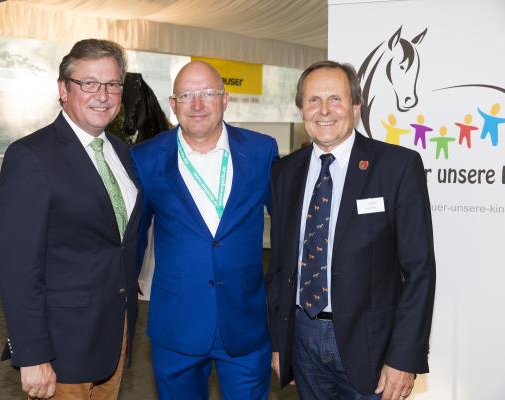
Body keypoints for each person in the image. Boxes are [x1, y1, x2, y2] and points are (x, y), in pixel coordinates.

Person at [266, 60, 435, 400]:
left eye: (336, 99)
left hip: (372, 346)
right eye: (313, 100)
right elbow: (281, 264)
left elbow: (419, 271)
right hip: (302, 337)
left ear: (356, 107)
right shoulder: (285, 171)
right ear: (301, 109)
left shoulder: (397, 167)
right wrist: (279, 342)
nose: (324, 110)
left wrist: (403, 357)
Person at [0, 39, 141, 400]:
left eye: (112, 85)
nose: (102, 95)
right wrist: (32, 355)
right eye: (88, 83)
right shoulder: (31, 157)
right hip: (61, 351)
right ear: (63, 89)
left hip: (113, 338)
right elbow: (18, 268)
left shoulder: (122, 153)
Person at [130, 60, 278, 399]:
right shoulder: (146, 158)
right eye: (187, 95)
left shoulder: (261, 151)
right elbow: (133, 240)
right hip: (177, 326)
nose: (197, 105)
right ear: (173, 104)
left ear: (225, 99)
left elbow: (287, 233)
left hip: (245, 324)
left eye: (208, 93)